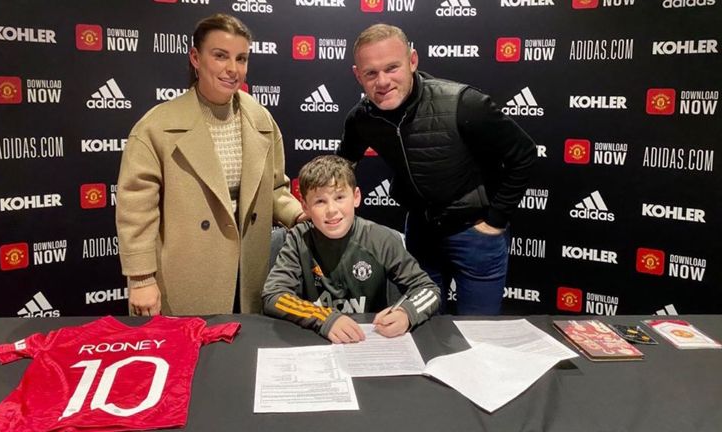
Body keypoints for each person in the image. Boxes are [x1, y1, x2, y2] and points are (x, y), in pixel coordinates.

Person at [337, 24, 536, 315]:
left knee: (477, 336)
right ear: (358, 75)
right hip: (420, 234)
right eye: (371, 73)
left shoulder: (463, 103)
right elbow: (342, 166)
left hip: (476, 234)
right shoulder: (361, 119)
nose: (382, 81)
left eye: (392, 68)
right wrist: (320, 200)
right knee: (422, 330)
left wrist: (495, 219)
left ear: (413, 61)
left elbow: (524, 154)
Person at [116, 14, 304, 316]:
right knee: (196, 357)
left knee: (242, 352)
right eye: (220, 56)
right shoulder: (156, 127)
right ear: (195, 57)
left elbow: (275, 189)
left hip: (250, 275)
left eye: (241, 59)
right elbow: (136, 210)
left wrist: (298, 215)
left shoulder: (262, 120)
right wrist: (140, 279)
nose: (232, 69)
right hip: (187, 274)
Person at [262, 155, 441, 344]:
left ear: (356, 197)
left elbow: (428, 289)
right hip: (318, 340)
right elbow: (274, 295)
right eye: (320, 201)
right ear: (305, 207)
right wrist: (324, 318)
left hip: (369, 340)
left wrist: (407, 313)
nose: (331, 210)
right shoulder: (298, 239)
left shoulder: (381, 238)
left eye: (339, 197)